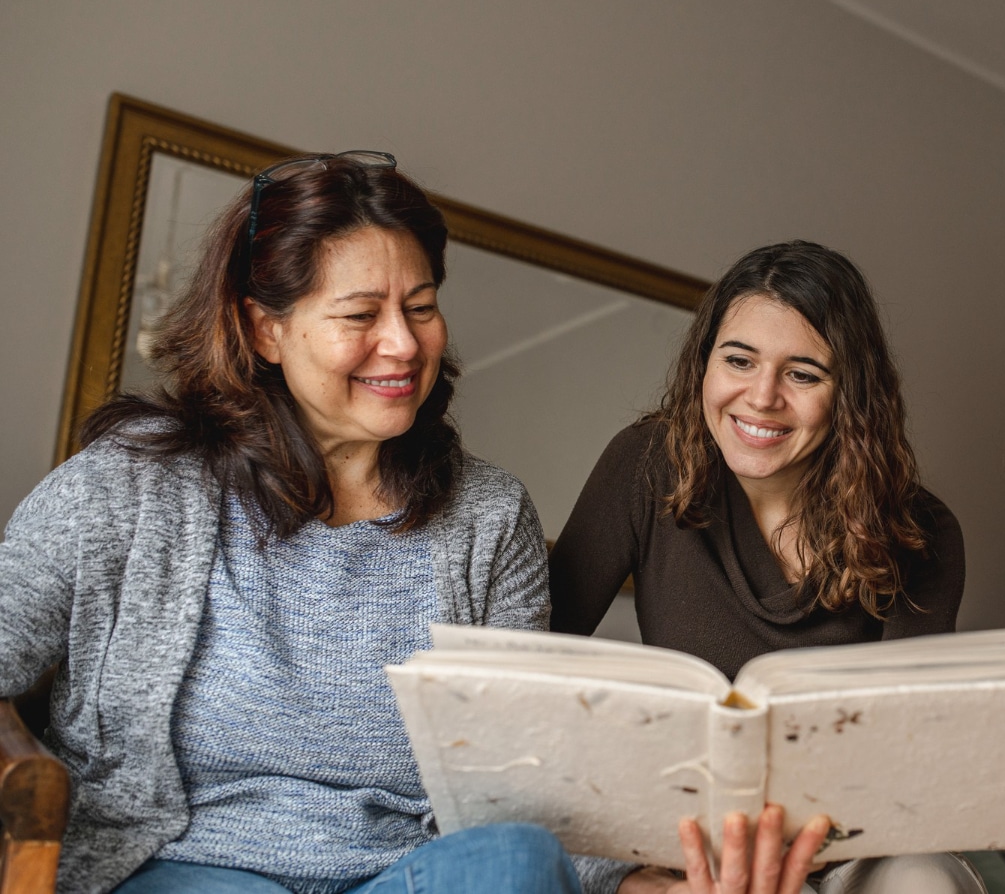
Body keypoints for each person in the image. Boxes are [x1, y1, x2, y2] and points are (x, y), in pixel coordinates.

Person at [0, 152, 584, 894]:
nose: (403, 343)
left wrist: (625, 877)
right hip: (187, 866)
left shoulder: (489, 517)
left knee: (517, 860)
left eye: (422, 306)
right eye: (360, 314)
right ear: (265, 330)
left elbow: (525, 770)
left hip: (397, 875)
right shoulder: (132, 481)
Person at [549, 241, 1002, 894]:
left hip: (850, 838)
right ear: (705, 364)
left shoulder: (920, 532)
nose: (762, 398)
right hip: (682, 837)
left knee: (926, 882)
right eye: (739, 360)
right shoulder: (644, 465)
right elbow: (535, 663)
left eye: (804, 374)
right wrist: (626, 865)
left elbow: (905, 761)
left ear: (849, 393)